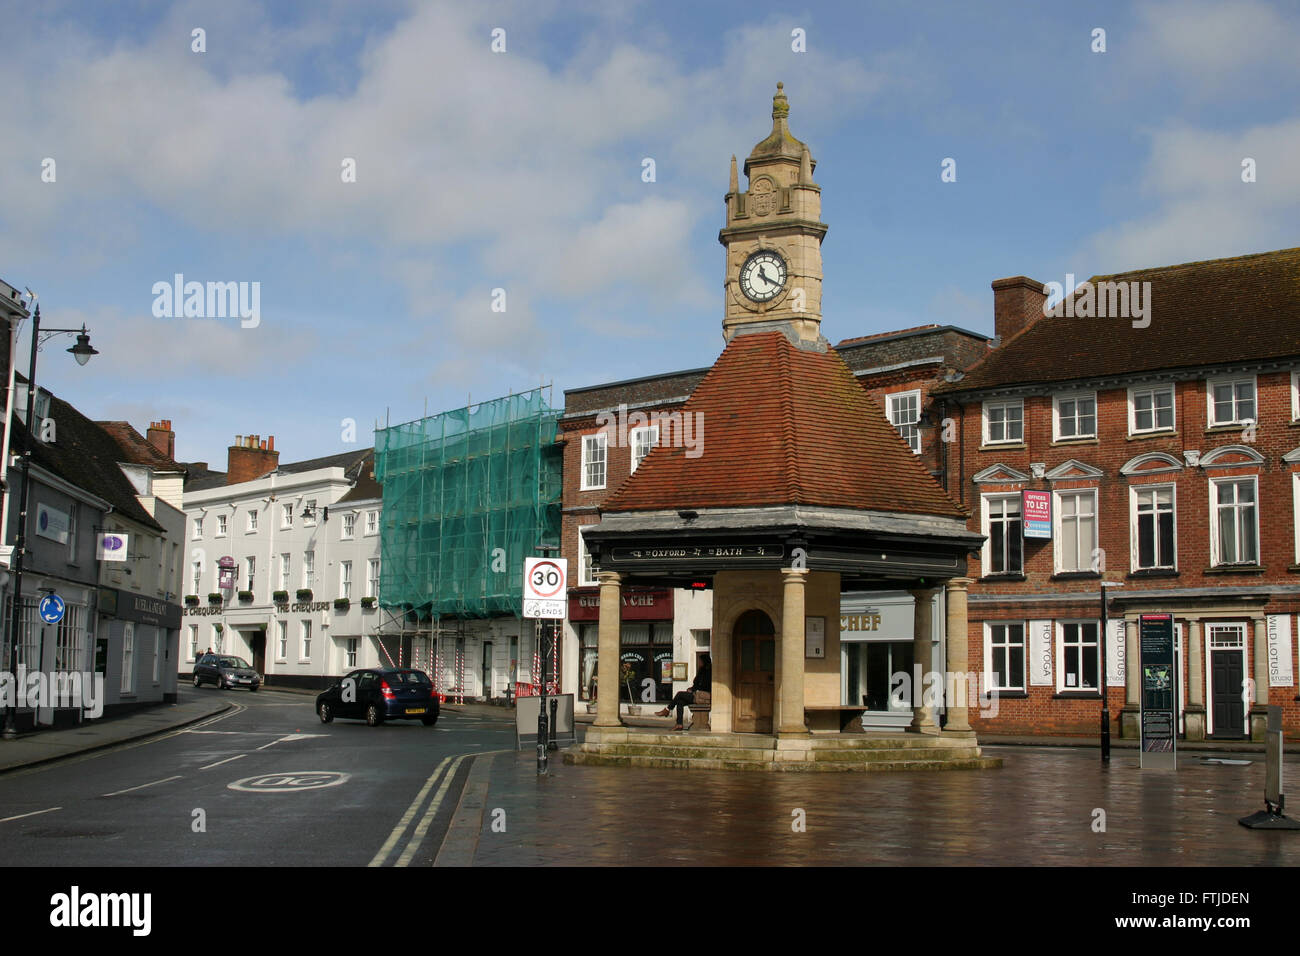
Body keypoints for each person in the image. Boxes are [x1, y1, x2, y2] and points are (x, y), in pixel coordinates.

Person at [655, 655, 710, 730]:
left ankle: (667, 710)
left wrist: (694, 690)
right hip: (697, 695)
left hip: (702, 696)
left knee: (679, 694)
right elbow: (696, 684)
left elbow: (706, 686)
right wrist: (691, 689)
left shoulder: (709, 672)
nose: (699, 662)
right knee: (680, 701)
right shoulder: (701, 671)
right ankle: (679, 724)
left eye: (700, 661)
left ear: (704, 662)